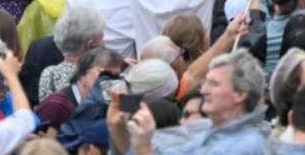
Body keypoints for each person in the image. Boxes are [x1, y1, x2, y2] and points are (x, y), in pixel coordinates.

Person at [111, 50, 267, 155]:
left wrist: (144, 147)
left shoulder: (246, 146)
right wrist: (118, 127)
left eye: (213, 84)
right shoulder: (204, 129)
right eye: (205, 83)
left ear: (239, 94)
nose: (204, 90)